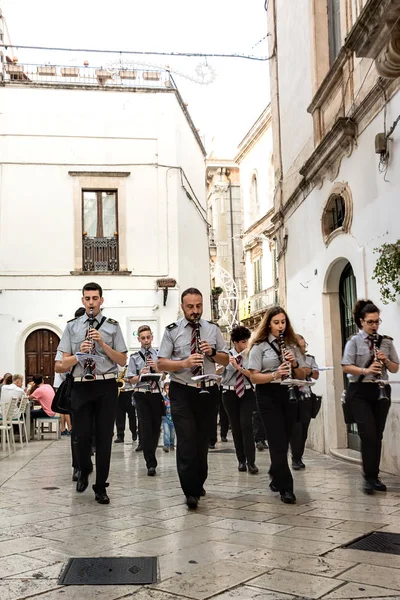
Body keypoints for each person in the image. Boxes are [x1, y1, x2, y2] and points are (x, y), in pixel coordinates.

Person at [158, 287, 229, 509]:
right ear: (182, 307)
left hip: (207, 390)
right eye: (190, 307)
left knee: (202, 441)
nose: (195, 311)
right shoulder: (172, 331)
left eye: (198, 306)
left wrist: (212, 353)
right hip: (182, 390)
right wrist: (184, 363)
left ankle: (199, 481)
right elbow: (161, 363)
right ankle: (189, 490)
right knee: (186, 440)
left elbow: (226, 360)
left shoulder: (212, 329)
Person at [58, 282, 127, 505]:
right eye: (87, 298)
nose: (91, 302)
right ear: (82, 301)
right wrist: (79, 354)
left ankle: (100, 487)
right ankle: (84, 467)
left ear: (101, 300)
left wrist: (102, 344)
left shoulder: (113, 327)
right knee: (81, 436)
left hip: (106, 385)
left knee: (105, 437)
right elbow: (60, 365)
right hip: (80, 385)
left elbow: (123, 360)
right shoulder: (72, 327)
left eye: (95, 298)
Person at [248, 306, 305, 504]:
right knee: (276, 440)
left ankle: (276, 472)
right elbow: (254, 377)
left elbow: (303, 373)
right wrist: (275, 374)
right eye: (276, 323)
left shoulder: (292, 345)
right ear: (269, 324)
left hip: (289, 392)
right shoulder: (259, 346)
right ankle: (286, 488)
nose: (280, 326)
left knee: (286, 438)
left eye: (283, 322)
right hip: (267, 394)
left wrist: (295, 364)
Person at [342, 299, 399, 495]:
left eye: (377, 322)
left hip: (381, 389)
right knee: (367, 433)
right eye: (370, 322)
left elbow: (395, 368)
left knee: (378, 435)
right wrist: (366, 369)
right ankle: (368, 477)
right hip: (359, 391)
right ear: (361, 322)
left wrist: (385, 360)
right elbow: (346, 366)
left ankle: (374, 476)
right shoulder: (353, 342)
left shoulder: (386, 341)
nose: (374, 326)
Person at [54, 307, 86, 482]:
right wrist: (75, 357)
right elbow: (58, 367)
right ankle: (78, 466)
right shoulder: (68, 339)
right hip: (76, 387)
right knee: (77, 431)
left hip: (97, 386)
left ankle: (87, 460)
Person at [221, 325, 258, 474]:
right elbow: (222, 377)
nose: (245, 344)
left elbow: (253, 375)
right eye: (243, 342)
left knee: (246, 425)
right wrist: (230, 365)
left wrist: (240, 367)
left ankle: (251, 462)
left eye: (247, 341)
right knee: (235, 427)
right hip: (230, 393)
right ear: (235, 342)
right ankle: (241, 460)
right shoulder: (225, 355)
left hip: (247, 393)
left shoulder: (250, 355)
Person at [127, 325, 163, 476]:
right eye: (143, 338)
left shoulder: (159, 355)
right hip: (141, 394)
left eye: (148, 337)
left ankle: (152, 453)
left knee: (156, 428)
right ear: (139, 340)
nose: (146, 340)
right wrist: (140, 374)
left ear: (152, 337)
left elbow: (164, 375)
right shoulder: (134, 357)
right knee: (146, 427)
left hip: (155, 393)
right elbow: (130, 379)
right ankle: (150, 463)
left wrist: (155, 368)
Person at [290, 334, 319, 470]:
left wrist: (307, 371)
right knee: (296, 428)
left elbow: (316, 375)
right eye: (300, 347)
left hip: (306, 396)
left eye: (304, 346)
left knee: (304, 429)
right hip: (293, 396)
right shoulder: (290, 360)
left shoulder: (310, 359)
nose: (303, 349)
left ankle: (299, 456)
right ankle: (295, 458)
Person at [114, 363, 137, 444]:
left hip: (129, 392)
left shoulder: (129, 368)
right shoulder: (114, 367)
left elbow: (134, 381)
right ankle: (120, 436)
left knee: (132, 415)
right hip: (119, 393)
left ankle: (134, 432)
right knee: (119, 416)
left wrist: (126, 380)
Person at [162, 381, 175, 452]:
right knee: (166, 432)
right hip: (165, 419)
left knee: (172, 434)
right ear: (164, 390)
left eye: (170, 389)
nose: (168, 391)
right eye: (167, 389)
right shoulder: (163, 399)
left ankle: (172, 444)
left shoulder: (174, 400)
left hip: (173, 419)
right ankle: (166, 446)